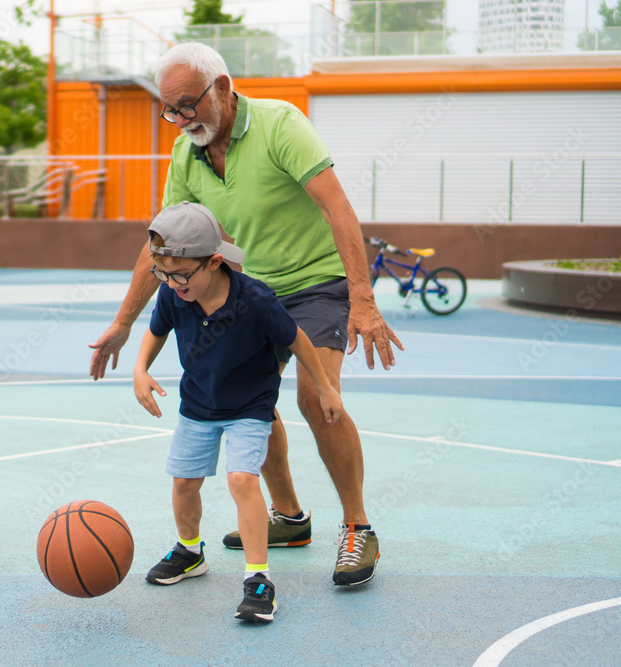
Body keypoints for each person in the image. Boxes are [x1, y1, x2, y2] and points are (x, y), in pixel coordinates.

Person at [90, 43, 403, 587]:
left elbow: (338, 208)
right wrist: (122, 324)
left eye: (189, 105)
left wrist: (364, 301)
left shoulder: (281, 125)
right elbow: (160, 243)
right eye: (170, 110)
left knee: (314, 396)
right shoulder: (187, 155)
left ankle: (358, 526)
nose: (181, 119)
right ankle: (289, 517)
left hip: (315, 284)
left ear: (224, 89)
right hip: (253, 290)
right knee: (244, 400)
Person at [133, 201, 342, 623]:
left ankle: (258, 580)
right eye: (163, 273)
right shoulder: (176, 293)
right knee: (184, 483)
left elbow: (297, 338)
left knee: (242, 479)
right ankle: (190, 552)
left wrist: (324, 387)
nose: (172, 283)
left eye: (180, 274)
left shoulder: (256, 300)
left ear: (214, 261)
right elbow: (156, 330)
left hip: (250, 405)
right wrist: (140, 369)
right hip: (198, 403)